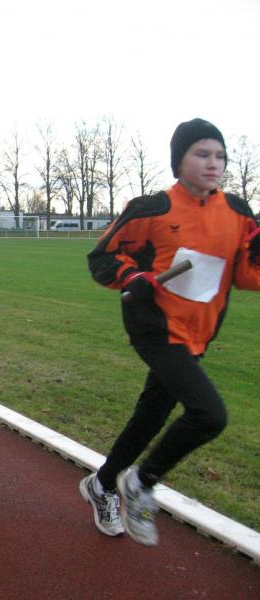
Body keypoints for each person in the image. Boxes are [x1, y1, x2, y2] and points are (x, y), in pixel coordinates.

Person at [82, 118, 260, 546]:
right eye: (202, 154)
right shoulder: (151, 209)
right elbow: (102, 258)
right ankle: (141, 482)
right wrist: (132, 277)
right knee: (209, 415)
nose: (213, 163)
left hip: (198, 334)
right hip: (155, 327)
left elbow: (246, 276)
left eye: (220, 156)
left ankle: (102, 484)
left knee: (152, 416)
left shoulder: (238, 213)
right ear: (179, 161)